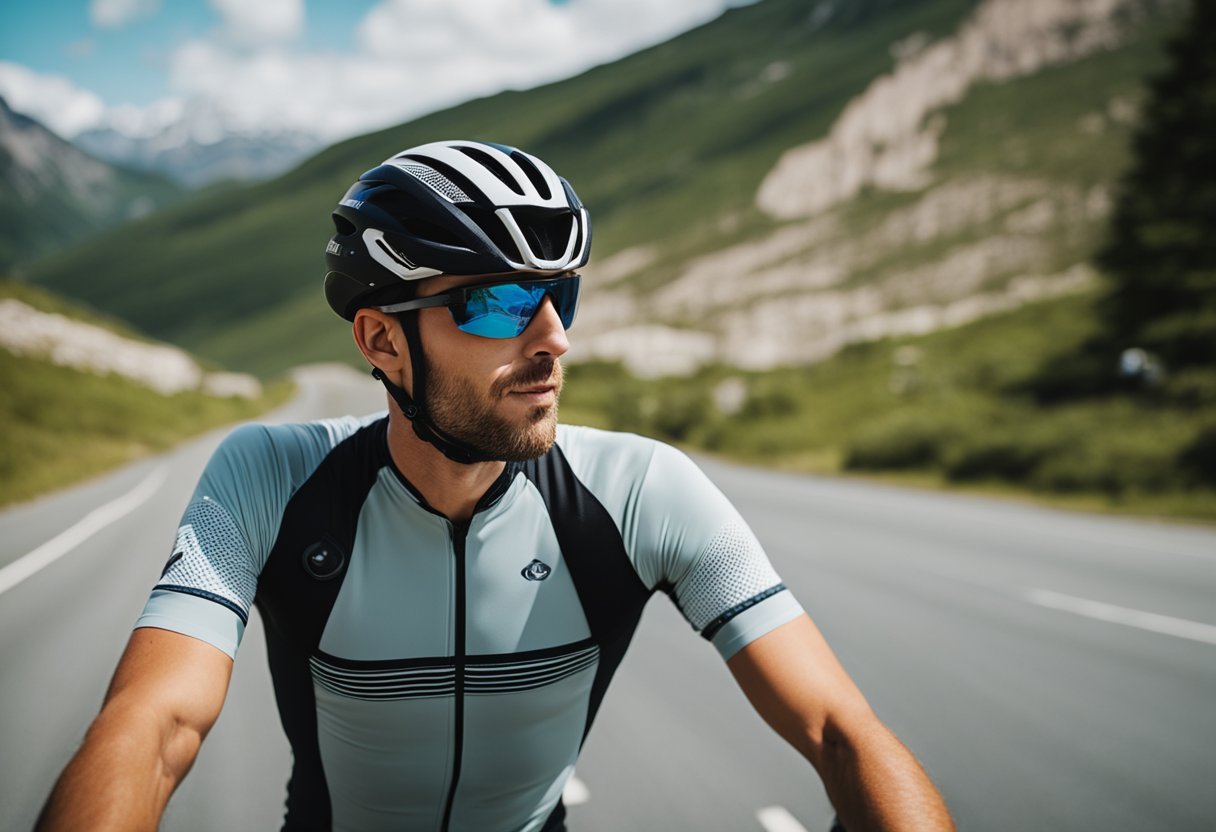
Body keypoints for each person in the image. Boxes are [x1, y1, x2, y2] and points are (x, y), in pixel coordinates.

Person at [37, 140, 954, 832]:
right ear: (381, 340)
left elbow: (841, 729)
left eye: (563, 295)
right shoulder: (271, 478)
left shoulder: (643, 489)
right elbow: (152, 726)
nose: (553, 337)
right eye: (499, 300)